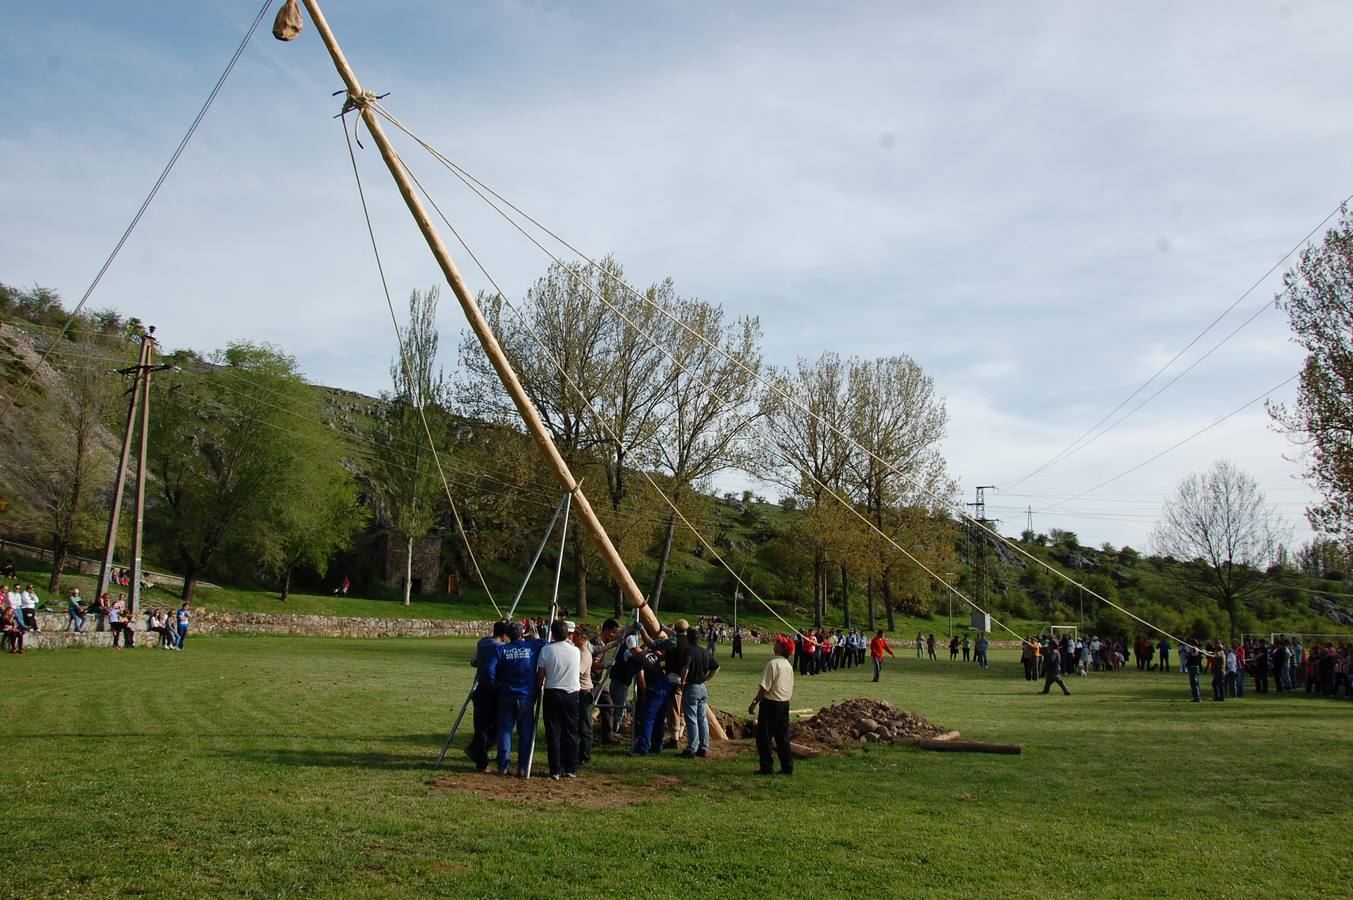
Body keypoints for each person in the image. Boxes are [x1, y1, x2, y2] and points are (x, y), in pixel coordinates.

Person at [484, 622, 541, 777]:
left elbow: (489, 670)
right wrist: (536, 638)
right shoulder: (531, 647)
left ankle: (503, 766)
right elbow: (547, 643)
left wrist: (496, 685)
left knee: (505, 732)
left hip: (506, 695)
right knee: (525, 733)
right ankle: (523, 767)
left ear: (508, 635)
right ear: (522, 633)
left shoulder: (501, 650)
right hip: (526, 697)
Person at [536, 620, 581, 780]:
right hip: (571, 694)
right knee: (571, 732)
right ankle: (571, 767)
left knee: (553, 732)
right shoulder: (575, 651)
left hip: (553, 693)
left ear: (552, 633)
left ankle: (555, 769)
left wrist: (537, 688)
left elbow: (541, 675)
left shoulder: (546, 650)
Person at [466, 621, 510, 772]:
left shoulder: (482, 643)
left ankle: (478, 754)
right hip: (492, 690)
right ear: (505, 636)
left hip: (479, 689)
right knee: (496, 726)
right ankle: (479, 754)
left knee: (481, 726)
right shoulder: (500, 648)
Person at [749, 634, 795, 776]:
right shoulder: (788, 665)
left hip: (771, 704)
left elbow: (764, 688)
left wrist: (754, 703)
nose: (775, 644)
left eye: (778, 643)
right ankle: (787, 767)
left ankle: (766, 768)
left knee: (764, 737)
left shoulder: (773, 664)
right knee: (782, 737)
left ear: (781, 649)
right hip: (784, 704)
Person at [680, 629, 720, 758]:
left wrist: (682, 681)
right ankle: (704, 746)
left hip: (692, 687)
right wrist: (706, 679)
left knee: (691, 718)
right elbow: (716, 667)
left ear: (688, 639)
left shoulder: (689, 651)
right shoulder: (705, 652)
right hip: (702, 687)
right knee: (702, 718)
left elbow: (686, 667)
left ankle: (692, 748)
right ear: (699, 639)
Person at [631, 641, 672, 756]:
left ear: (632, 649)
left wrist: (644, 694)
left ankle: (642, 748)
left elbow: (641, 678)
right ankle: (657, 746)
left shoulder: (638, 658)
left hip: (655, 688)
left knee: (648, 719)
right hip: (665, 683)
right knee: (659, 718)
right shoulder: (650, 652)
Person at [570, 623, 598, 767]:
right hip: (578, 691)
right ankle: (577, 753)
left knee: (585, 726)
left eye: (576, 635)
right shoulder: (576, 651)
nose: (573, 636)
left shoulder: (585, 654)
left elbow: (577, 672)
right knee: (577, 725)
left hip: (585, 693)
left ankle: (585, 756)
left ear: (584, 637)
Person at [606, 632, 640, 742]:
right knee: (618, 708)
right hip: (620, 683)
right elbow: (637, 654)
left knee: (617, 707)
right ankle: (613, 732)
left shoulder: (624, 648)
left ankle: (612, 731)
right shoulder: (626, 651)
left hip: (619, 682)